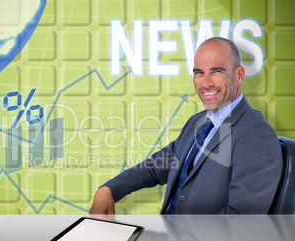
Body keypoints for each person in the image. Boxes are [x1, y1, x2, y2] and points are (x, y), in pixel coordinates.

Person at [90, 37, 283, 214]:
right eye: (199, 73)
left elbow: (241, 219)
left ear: (239, 74)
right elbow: (156, 167)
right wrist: (109, 189)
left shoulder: (256, 134)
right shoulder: (197, 123)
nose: (206, 83)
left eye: (217, 71)